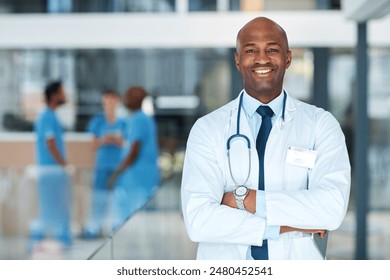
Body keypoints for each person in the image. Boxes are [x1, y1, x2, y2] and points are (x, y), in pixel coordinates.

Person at [181, 17, 351, 260]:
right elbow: (199, 220)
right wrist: (289, 225)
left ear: (288, 58)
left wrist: (244, 199)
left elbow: (331, 209)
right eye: (251, 50)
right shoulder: (207, 128)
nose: (262, 58)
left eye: (272, 49)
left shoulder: (320, 124)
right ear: (238, 60)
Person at [108, 86, 160, 230]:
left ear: (137, 99)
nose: (125, 99)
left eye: (129, 96)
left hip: (137, 176)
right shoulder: (144, 118)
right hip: (144, 175)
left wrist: (117, 173)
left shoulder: (137, 119)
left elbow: (133, 150)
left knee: (132, 217)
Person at [31, 80, 72, 247]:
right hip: (50, 171)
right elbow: (51, 144)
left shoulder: (52, 116)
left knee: (56, 205)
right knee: (49, 205)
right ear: (54, 95)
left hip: (53, 171)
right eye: (62, 92)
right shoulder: (47, 117)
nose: (65, 96)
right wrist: (64, 165)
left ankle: (61, 236)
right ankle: (37, 238)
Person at [81, 90, 125, 239]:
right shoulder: (98, 121)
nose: (110, 104)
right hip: (102, 165)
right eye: (107, 100)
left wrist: (117, 141)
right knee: (99, 197)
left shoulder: (123, 122)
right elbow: (93, 144)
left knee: (116, 196)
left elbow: (128, 143)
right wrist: (105, 140)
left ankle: (115, 226)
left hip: (118, 166)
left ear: (117, 101)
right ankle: (94, 227)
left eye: (113, 100)